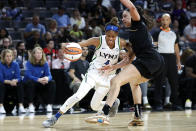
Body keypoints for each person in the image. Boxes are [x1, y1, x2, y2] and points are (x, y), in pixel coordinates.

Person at [42, 17, 130, 127]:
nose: (110, 39)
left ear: (117, 35)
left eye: (113, 36)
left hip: (108, 78)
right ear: (105, 33)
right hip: (93, 73)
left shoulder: (121, 43)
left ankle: (112, 103)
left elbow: (129, 58)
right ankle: (55, 117)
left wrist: (117, 64)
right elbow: (80, 44)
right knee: (78, 96)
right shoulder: (97, 40)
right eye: (108, 36)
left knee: (94, 106)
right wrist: (67, 45)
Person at [95, 0, 164, 126]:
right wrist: (113, 66)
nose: (123, 19)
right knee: (134, 83)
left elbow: (131, 6)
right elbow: (129, 60)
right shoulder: (133, 34)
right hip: (156, 63)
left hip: (149, 60)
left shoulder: (138, 24)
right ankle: (138, 115)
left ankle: (104, 114)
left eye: (125, 16)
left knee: (115, 81)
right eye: (122, 17)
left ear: (133, 15)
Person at [152, 13, 182, 111]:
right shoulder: (156, 32)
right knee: (159, 82)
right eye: (163, 19)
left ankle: (176, 104)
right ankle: (158, 104)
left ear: (170, 21)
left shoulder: (174, 32)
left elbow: (176, 47)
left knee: (174, 82)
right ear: (161, 21)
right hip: (161, 57)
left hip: (172, 58)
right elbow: (153, 46)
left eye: (167, 19)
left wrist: (178, 61)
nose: (165, 21)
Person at [23, 47, 56, 113]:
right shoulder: (29, 63)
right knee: (30, 82)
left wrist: (47, 78)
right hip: (30, 82)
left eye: (40, 53)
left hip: (40, 82)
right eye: (37, 53)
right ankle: (30, 105)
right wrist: (38, 79)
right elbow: (28, 75)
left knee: (52, 82)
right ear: (34, 54)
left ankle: (49, 105)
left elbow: (50, 75)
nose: (39, 55)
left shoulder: (45, 63)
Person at [0, 49, 26, 114]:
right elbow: (1, 79)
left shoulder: (15, 64)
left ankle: (20, 106)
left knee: (20, 83)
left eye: (10, 56)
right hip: (4, 83)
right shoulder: (0, 65)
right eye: (7, 56)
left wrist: (15, 80)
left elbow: (19, 77)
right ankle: (1, 106)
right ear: (3, 57)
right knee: (0, 84)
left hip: (13, 83)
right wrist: (10, 82)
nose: (9, 58)